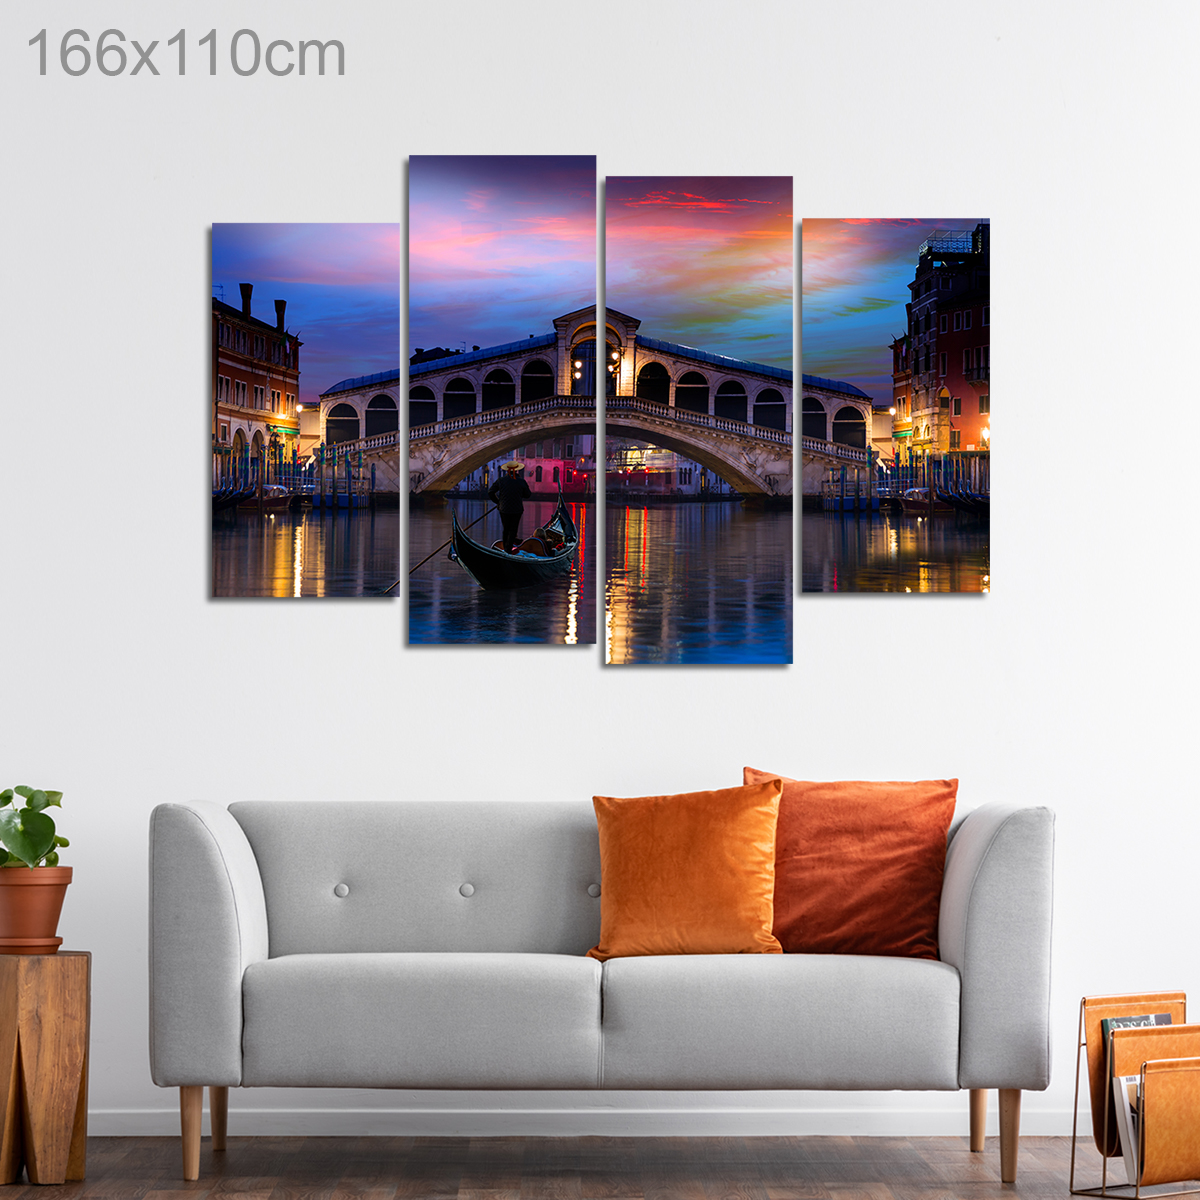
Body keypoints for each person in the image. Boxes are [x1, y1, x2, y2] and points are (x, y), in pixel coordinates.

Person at [487, 461, 531, 552]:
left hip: (504, 508)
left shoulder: (501, 480)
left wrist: (498, 502)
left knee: (506, 529)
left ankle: (506, 548)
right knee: (513, 529)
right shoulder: (521, 481)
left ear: (507, 471)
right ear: (517, 470)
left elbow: (490, 492)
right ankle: (508, 549)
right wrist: (520, 493)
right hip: (517, 509)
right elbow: (528, 495)